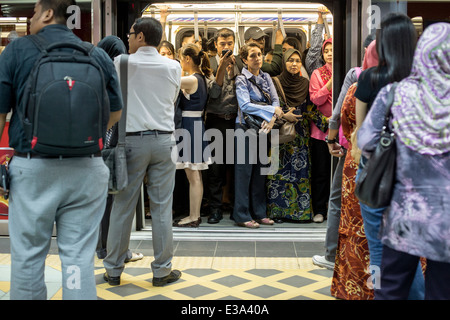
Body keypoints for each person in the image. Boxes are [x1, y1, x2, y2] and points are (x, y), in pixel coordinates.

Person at [0, 0, 122, 299]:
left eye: (33, 12)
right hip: (86, 170)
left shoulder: (17, 51)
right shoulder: (97, 55)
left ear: (48, 13)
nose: (30, 19)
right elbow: (115, 112)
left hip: (33, 169)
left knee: (28, 257)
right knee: (78, 259)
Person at [358, 22, 450, 300]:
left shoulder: (395, 93)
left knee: (390, 286)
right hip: (446, 222)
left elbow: (366, 142)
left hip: (403, 215)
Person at [102, 17, 182, 287]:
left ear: (140, 37)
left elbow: (113, 99)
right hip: (164, 143)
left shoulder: (121, 62)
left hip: (131, 143)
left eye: (130, 33)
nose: (127, 37)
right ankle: (162, 271)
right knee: (161, 209)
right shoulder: (173, 66)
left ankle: (113, 270)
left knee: (122, 208)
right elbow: (171, 100)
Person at [354, 12, 424, 299]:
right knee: (411, 253)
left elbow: (362, 136)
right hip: (415, 179)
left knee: (378, 251)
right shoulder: (425, 81)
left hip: (377, 174)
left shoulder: (371, 78)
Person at [312, 37, 378, 270]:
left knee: (339, 200)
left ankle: (332, 254)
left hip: (356, 152)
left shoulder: (357, 77)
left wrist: (331, 139)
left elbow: (338, 112)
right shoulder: (403, 80)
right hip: (389, 156)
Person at [96, 35, 143, 263]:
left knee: (101, 201)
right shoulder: (117, 78)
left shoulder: (92, 75)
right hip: (112, 145)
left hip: (94, 147)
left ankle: (101, 248)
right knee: (115, 201)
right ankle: (116, 251)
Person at [267, 48, 328, 222]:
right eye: (290, 60)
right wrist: (284, 114)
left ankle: (300, 213)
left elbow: (310, 109)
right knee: (277, 173)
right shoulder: (275, 82)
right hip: (280, 132)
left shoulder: (304, 84)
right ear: (284, 62)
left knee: (299, 173)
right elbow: (269, 105)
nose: (294, 64)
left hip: (300, 135)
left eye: (297, 61)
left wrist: (328, 123)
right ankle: (277, 212)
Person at [233, 42, 283, 228]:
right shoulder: (241, 79)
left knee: (261, 171)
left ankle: (259, 212)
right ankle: (242, 214)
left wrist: (270, 120)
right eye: (252, 55)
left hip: (264, 127)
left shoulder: (267, 77)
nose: (257, 58)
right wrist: (270, 110)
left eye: (259, 54)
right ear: (244, 59)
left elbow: (276, 100)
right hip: (245, 127)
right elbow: (245, 105)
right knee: (244, 172)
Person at [173, 43, 212, 227]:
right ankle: (194, 214)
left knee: (193, 175)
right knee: (196, 175)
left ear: (188, 59)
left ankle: (193, 216)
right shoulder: (202, 78)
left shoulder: (191, 80)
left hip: (189, 126)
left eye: (181, 59)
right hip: (197, 125)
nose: (181, 63)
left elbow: (170, 81)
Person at [204, 28, 239, 224]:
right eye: (222, 44)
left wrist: (234, 69)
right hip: (215, 120)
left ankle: (235, 206)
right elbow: (213, 94)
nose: (226, 47)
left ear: (234, 44)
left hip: (235, 121)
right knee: (215, 168)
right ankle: (215, 209)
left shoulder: (241, 63)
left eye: (229, 43)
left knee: (235, 166)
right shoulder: (208, 64)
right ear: (216, 45)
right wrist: (221, 68)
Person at [308, 37, 333, 223]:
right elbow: (316, 99)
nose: (330, 54)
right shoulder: (317, 73)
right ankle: (319, 209)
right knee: (321, 171)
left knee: (337, 173)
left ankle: (335, 209)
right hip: (320, 131)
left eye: (333, 50)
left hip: (341, 129)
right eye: (327, 51)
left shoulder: (348, 70)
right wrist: (330, 84)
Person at [305, 6, 329, 77]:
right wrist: (321, 18)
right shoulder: (313, 64)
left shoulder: (334, 66)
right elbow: (315, 47)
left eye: (331, 50)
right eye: (326, 51)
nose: (330, 54)